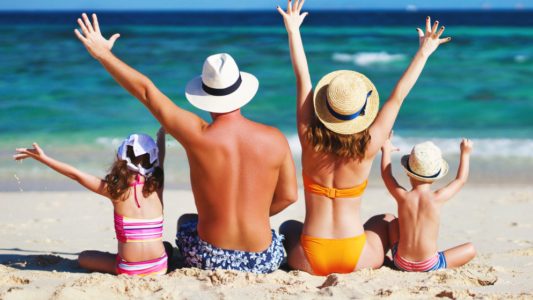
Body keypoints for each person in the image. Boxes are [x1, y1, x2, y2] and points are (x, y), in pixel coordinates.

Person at [73, 13, 298, 273]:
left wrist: (104, 55)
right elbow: (289, 196)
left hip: (209, 259)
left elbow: (146, 92)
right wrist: (254, 217)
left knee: (186, 222)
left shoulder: (196, 134)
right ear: (242, 93)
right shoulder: (275, 138)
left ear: (205, 95)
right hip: (261, 260)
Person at [277, 0, 452, 275]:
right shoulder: (369, 144)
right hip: (356, 256)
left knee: (288, 227)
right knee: (385, 220)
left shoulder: (308, 137)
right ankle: (405, 261)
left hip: (309, 259)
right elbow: (398, 96)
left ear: (325, 108)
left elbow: (303, 78)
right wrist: (424, 52)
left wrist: (294, 32)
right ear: (361, 112)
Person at [13, 129, 169, 276]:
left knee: (84, 257)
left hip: (129, 269)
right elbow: (161, 158)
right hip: (160, 266)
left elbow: (76, 175)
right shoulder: (156, 185)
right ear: (152, 160)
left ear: (121, 158)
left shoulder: (115, 190)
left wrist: (43, 158)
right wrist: (162, 134)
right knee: (166, 246)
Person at [381, 134, 477, 271]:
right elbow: (460, 180)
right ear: (436, 177)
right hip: (429, 264)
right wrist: (465, 154)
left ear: (408, 172)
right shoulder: (437, 197)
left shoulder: (402, 196)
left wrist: (386, 150)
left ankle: (394, 258)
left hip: (400, 262)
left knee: (392, 222)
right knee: (470, 249)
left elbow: (387, 175)